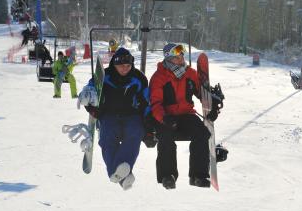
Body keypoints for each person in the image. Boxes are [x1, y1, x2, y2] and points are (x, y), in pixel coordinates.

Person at [78, 47, 150, 190]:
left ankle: (115, 173)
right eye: (121, 66)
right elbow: (89, 93)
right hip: (108, 114)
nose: (125, 68)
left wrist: (150, 124)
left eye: (128, 66)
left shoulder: (139, 78)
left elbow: (147, 100)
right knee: (107, 137)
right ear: (114, 64)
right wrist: (91, 107)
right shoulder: (104, 76)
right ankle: (123, 176)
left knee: (135, 133)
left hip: (132, 115)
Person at [149, 43, 219, 190]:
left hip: (186, 114)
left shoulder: (190, 73)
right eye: (177, 56)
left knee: (202, 133)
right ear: (169, 58)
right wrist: (163, 118)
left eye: (182, 55)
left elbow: (202, 93)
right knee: (165, 137)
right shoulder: (159, 77)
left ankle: (198, 175)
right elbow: (155, 103)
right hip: (167, 117)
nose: (181, 58)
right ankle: (167, 175)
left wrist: (212, 105)